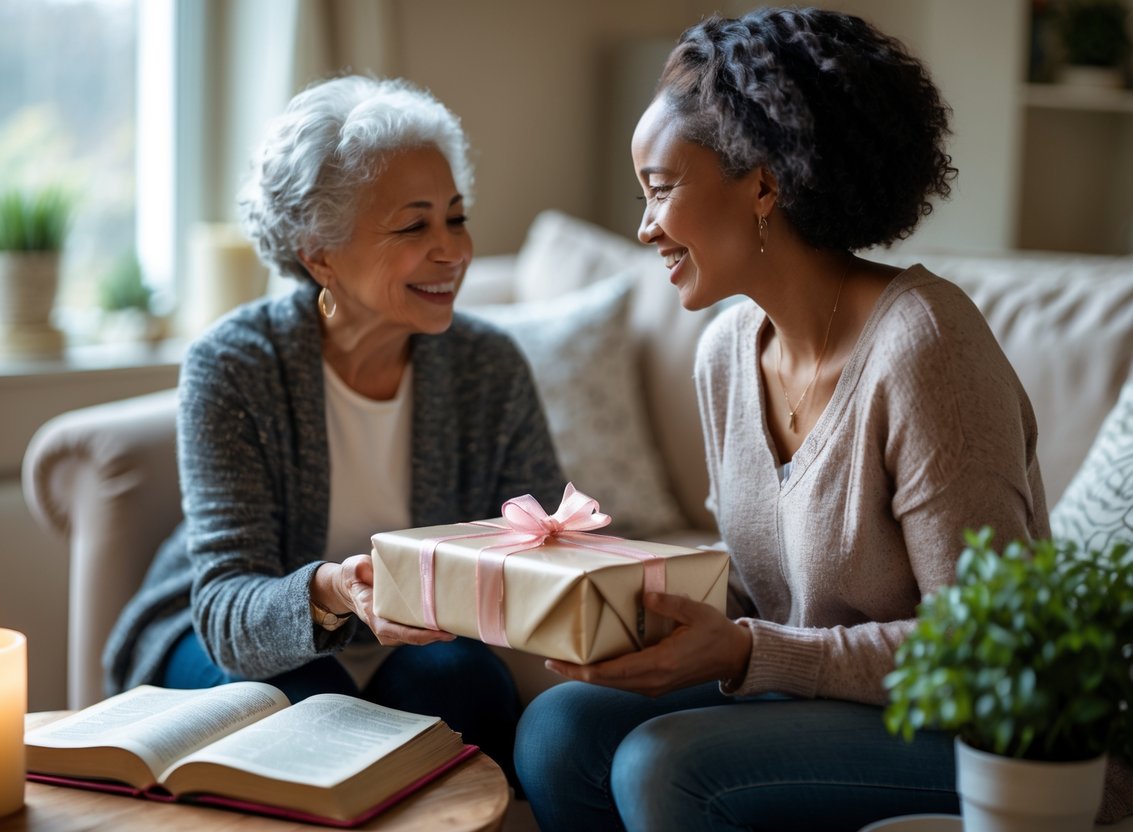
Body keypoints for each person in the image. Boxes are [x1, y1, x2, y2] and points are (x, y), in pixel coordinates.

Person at [516, 8, 1130, 829]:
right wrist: (625, 602)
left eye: (661, 190)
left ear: (764, 182)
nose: (643, 227)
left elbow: (980, 649)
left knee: (668, 766)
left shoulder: (925, 347)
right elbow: (757, 585)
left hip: (972, 732)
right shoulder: (725, 352)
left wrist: (748, 652)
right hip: (814, 694)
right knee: (558, 729)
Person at [103, 75, 565, 786]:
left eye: (456, 217)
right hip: (232, 639)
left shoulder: (488, 365)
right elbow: (225, 609)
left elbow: (537, 541)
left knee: (465, 684)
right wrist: (327, 591)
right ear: (320, 253)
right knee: (299, 710)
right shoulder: (233, 366)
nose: (453, 250)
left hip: (418, 640)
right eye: (414, 227)